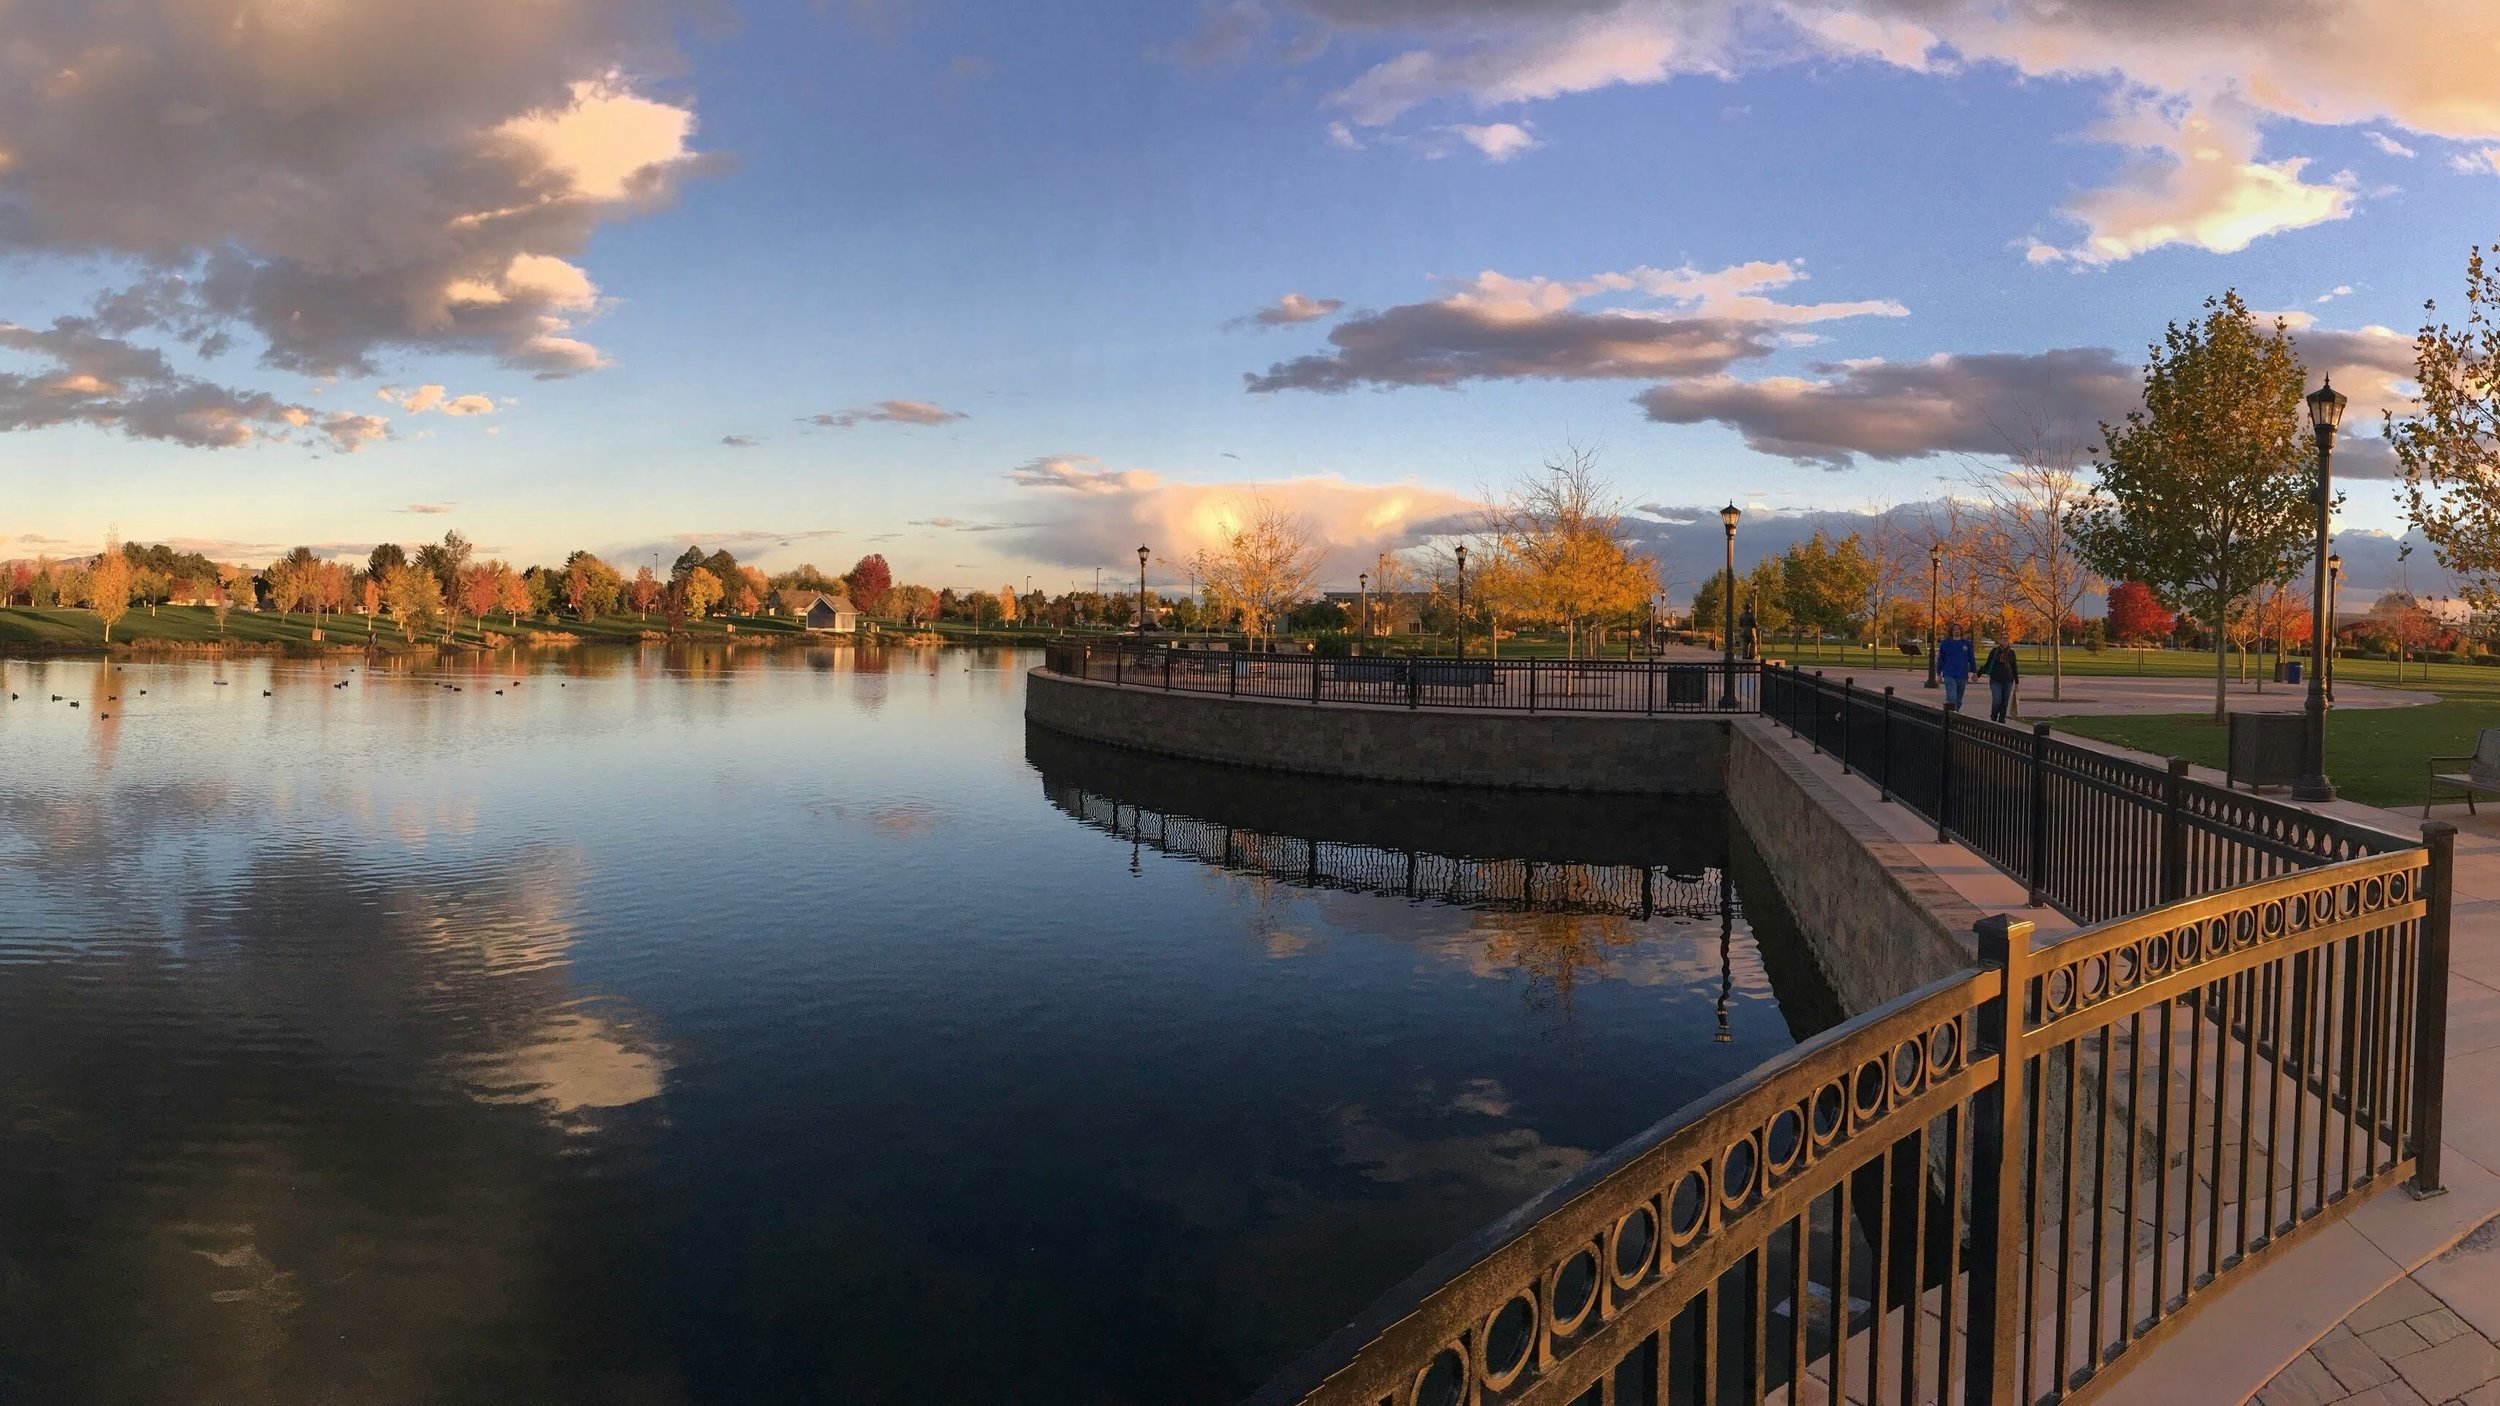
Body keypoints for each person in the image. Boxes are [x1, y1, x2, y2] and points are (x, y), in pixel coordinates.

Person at [1935, 626, 1974, 711]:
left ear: (1961, 631)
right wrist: (1938, 674)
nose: (1957, 631)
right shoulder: (1945, 643)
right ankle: (1949, 718)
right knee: (1952, 698)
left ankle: (1955, 713)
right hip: (1949, 674)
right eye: (1954, 629)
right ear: (1951, 631)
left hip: (1962, 675)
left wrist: (1975, 673)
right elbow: (1941, 659)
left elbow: (1971, 659)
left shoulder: (1967, 644)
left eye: (1959, 629)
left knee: (1958, 700)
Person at [1983, 636, 2021, 722]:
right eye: (2003, 638)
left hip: (2008, 680)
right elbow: (1988, 664)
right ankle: (1994, 717)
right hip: (1995, 680)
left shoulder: (2011, 653)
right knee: (1997, 699)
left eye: (2006, 639)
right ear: (2000, 640)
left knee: (2005, 701)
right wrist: (1977, 674)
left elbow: (2014, 668)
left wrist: (2017, 682)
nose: (2004, 640)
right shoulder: (1995, 651)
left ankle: (2002, 719)